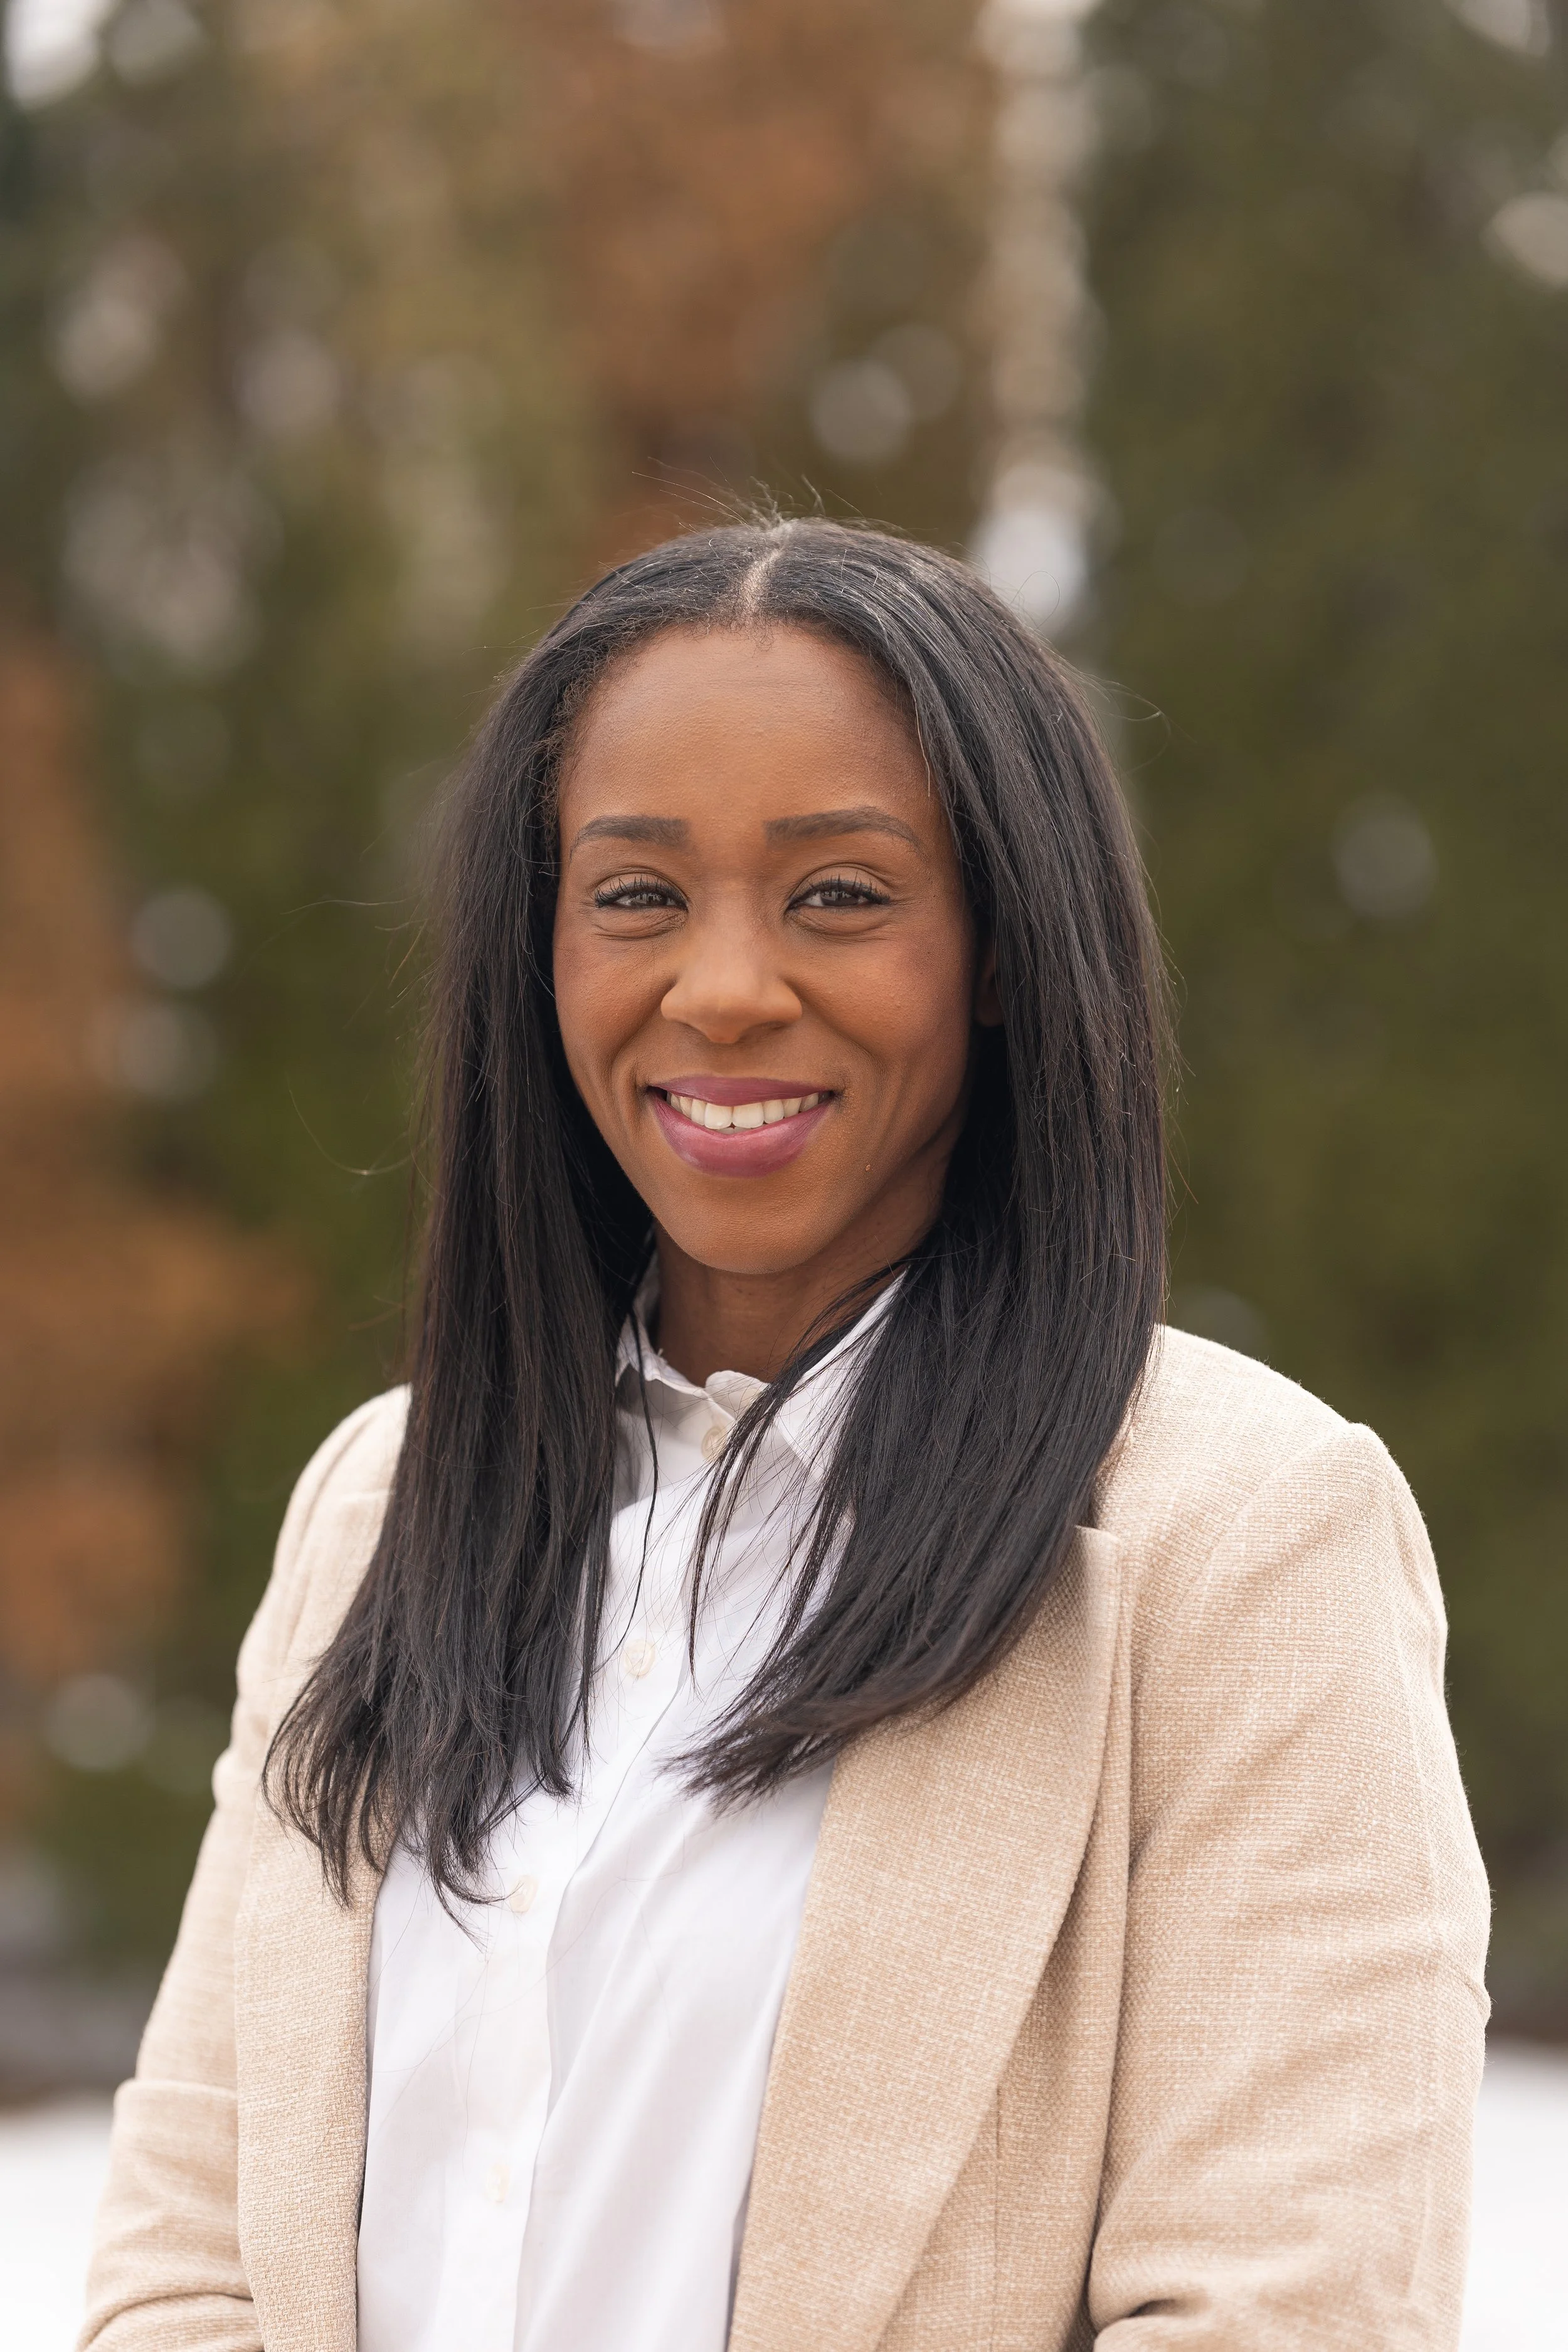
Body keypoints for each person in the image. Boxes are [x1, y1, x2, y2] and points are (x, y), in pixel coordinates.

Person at [80, 519, 1488, 2352]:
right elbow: (190, 2252)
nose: (725, 986)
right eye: (636, 895)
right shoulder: (377, 1502)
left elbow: (1284, 2313)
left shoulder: (1243, 1532)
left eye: (837, 892)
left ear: (1001, 948)